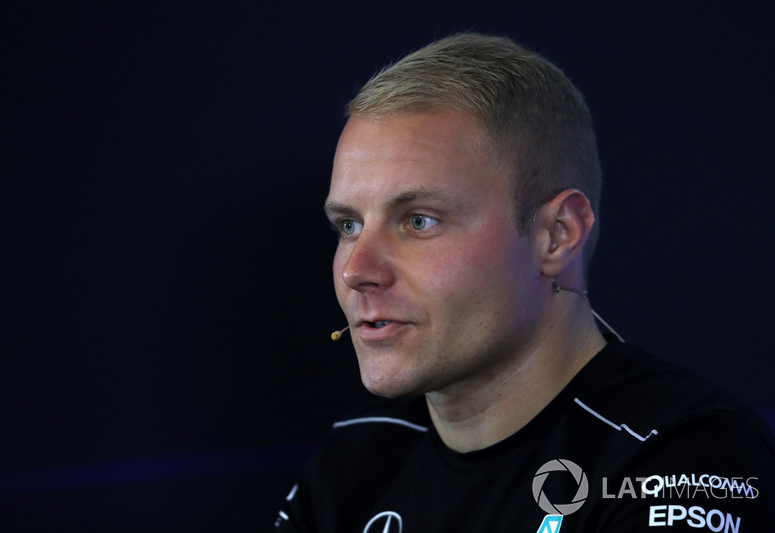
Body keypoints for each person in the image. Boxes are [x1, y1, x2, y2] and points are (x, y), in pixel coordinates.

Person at [273, 32, 774, 532]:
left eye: (419, 220)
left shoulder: (683, 456)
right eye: (349, 226)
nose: (357, 271)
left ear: (557, 235)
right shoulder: (358, 457)